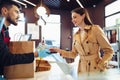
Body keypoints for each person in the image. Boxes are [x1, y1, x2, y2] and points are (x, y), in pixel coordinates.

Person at [49, 7, 114, 76]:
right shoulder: (76, 35)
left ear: (83, 16)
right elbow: (73, 54)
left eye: (75, 17)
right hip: (81, 70)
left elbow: (109, 51)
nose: (72, 20)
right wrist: (59, 51)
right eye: (72, 18)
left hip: (95, 69)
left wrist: (101, 65)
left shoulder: (95, 30)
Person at [0, 0, 50, 78]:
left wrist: (36, 50)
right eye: (16, 12)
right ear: (5, 11)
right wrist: (36, 54)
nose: (19, 16)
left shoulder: (5, 30)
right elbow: (6, 58)